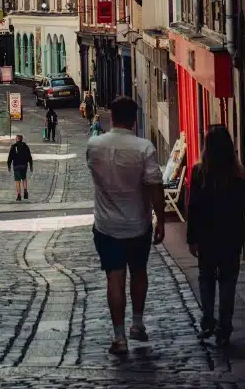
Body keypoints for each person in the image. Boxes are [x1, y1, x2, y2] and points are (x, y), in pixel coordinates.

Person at [86, 95, 165, 355]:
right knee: (139, 272)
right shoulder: (144, 148)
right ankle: (137, 323)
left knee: (114, 278)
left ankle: (119, 337)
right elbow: (154, 187)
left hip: (107, 225)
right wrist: (161, 219)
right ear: (134, 119)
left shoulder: (94, 146)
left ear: (111, 116)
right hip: (138, 224)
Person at [186, 125, 245, 348]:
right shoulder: (238, 175)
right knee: (227, 281)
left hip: (206, 236)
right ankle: (225, 326)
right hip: (231, 236)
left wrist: (191, 238)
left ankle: (207, 320)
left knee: (206, 278)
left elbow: (192, 207)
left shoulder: (198, 172)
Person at [7, 133, 33, 201]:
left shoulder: (13, 146)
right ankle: (25, 190)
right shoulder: (25, 146)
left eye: (16, 138)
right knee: (24, 178)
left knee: (17, 181)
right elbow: (29, 156)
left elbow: (10, 157)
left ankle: (18, 195)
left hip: (16, 165)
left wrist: (9, 165)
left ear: (17, 139)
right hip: (24, 165)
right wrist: (31, 165)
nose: (15, 139)